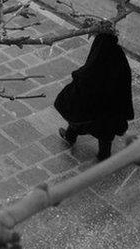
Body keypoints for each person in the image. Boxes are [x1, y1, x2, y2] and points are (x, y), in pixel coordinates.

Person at [54, 24, 134, 161]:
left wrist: (76, 76)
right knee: (105, 132)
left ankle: (70, 136)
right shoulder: (118, 57)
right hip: (110, 108)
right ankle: (104, 155)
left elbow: (84, 76)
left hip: (91, 107)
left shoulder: (96, 60)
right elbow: (125, 80)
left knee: (76, 115)